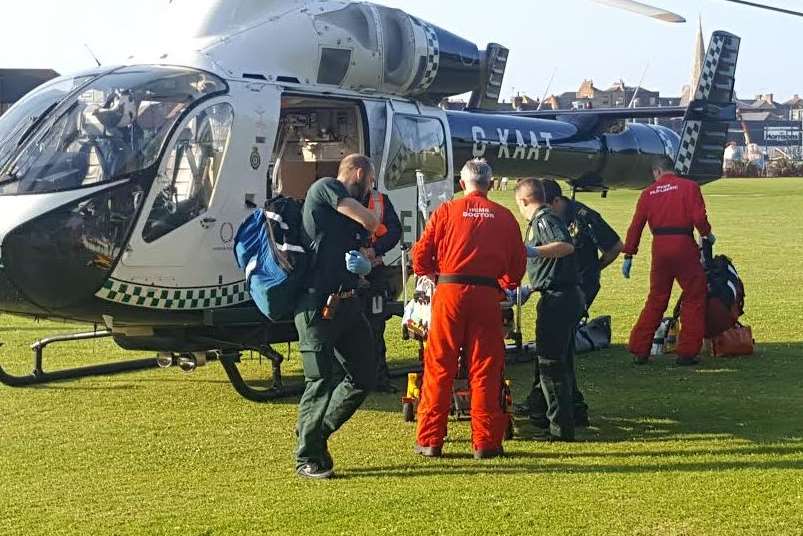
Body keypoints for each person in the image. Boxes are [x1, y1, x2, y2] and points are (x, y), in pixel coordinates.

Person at [412, 159, 526, 459]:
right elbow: (516, 270)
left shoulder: (446, 211)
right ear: (490, 184)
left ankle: (430, 441)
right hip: (486, 295)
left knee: (439, 366)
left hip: (449, 292)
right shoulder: (504, 216)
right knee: (485, 368)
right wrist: (501, 281)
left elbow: (420, 255)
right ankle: (486, 443)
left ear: (462, 184)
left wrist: (435, 275)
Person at [294, 154, 381, 480]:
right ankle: (307, 456)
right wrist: (371, 214)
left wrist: (365, 265)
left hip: (347, 303)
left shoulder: (344, 218)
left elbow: (363, 247)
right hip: (318, 305)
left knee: (364, 375)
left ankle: (312, 430)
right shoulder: (326, 188)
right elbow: (372, 221)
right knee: (320, 381)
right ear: (359, 172)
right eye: (370, 180)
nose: (370, 187)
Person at [622, 158, 715, 366]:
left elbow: (636, 225)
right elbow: (699, 217)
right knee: (694, 296)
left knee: (656, 298)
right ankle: (687, 352)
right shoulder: (689, 187)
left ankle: (640, 348)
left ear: (657, 171)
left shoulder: (648, 193)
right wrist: (707, 235)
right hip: (683, 244)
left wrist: (629, 254)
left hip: (660, 247)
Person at [513, 178, 585, 442]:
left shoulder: (544, 219)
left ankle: (559, 429)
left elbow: (565, 245)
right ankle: (567, 416)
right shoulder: (543, 219)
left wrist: (530, 251)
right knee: (561, 362)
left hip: (559, 299)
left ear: (523, 201)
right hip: (560, 294)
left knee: (550, 365)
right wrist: (532, 286)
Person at [541, 179, 623, 310]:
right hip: (556, 286)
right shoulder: (547, 219)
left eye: (545, 208)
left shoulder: (584, 217)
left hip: (581, 287)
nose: (542, 214)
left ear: (556, 201)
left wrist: (594, 269)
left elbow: (615, 246)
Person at [360, 186, 403, 392]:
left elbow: (395, 231)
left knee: (376, 326)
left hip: (374, 272)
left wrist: (374, 250)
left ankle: (379, 379)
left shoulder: (380, 200)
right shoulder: (339, 195)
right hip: (346, 274)